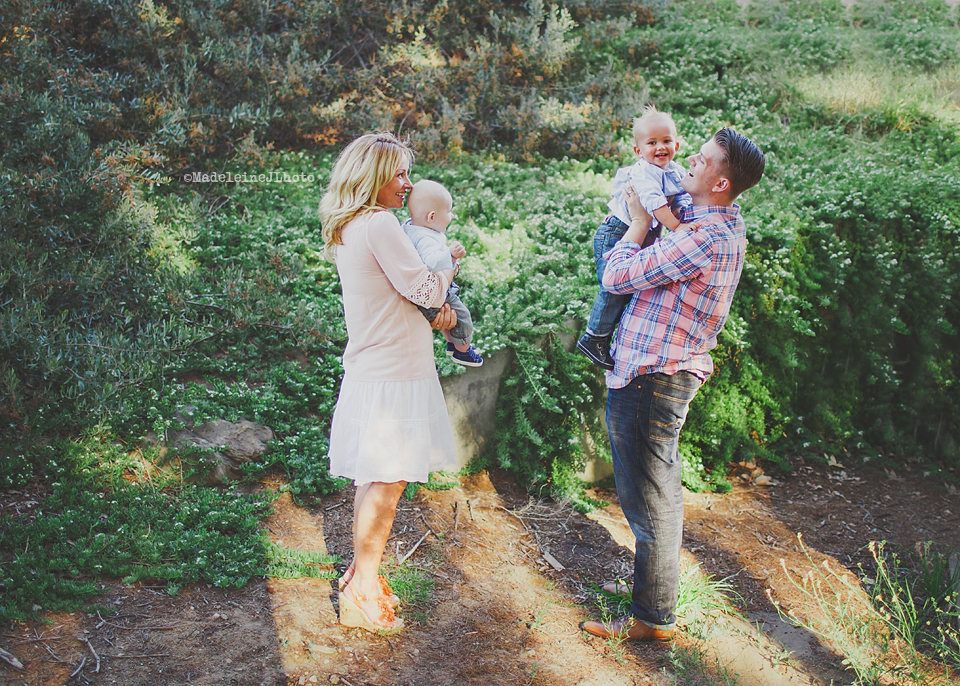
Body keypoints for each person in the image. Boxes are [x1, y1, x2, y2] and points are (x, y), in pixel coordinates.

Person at [581, 128, 765, 642]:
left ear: (721, 180)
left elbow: (616, 277)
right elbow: (663, 185)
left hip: (652, 377)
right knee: (654, 492)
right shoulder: (715, 219)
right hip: (658, 371)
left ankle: (652, 617)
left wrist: (638, 222)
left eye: (703, 159)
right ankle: (653, 600)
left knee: (650, 499)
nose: (690, 160)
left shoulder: (704, 236)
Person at [320, 132, 459, 632]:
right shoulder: (379, 223)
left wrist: (433, 316)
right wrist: (452, 266)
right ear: (373, 177)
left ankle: (363, 574)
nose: (408, 184)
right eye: (399, 174)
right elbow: (422, 285)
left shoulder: (354, 225)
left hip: (377, 363)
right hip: (394, 371)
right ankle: (362, 590)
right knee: (388, 479)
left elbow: (393, 297)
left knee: (375, 476)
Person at [577, 107, 694, 370]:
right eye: (651, 143)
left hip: (641, 235)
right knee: (615, 287)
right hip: (616, 233)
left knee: (632, 287)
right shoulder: (643, 172)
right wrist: (677, 226)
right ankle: (593, 337)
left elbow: (684, 193)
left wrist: (689, 211)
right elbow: (653, 203)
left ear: (676, 144)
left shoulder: (674, 170)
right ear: (638, 151)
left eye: (666, 141)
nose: (660, 147)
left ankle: (611, 335)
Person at [402, 179, 484, 367]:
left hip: (429, 289)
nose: (452, 216)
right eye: (448, 212)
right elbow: (431, 262)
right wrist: (450, 255)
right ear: (431, 217)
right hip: (435, 291)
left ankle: (452, 343)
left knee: (452, 315)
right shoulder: (425, 238)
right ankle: (462, 351)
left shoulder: (410, 226)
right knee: (463, 317)